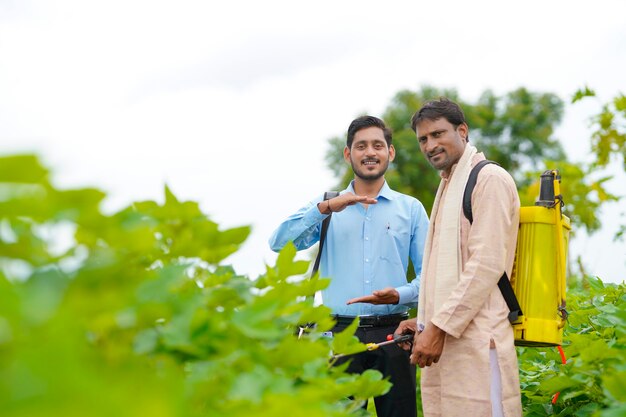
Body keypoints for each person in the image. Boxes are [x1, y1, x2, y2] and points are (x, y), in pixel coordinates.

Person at [269, 115, 429, 417]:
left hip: (394, 336)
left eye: (378, 145)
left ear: (390, 153)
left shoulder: (411, 209)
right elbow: (280, 243)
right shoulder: (327, 206)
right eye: (361, 146)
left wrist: (399, 294)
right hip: (336, 336)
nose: (370, 152)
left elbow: (432, 277)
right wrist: (326, 208)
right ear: (348, 154)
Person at [394, 98, 522, 417]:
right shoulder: (449, 183)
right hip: (449, 339)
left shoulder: (488, 179)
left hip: (480, 339)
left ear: (462, 131)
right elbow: (441, 273)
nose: (430, 145)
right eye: (423, 139)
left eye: (438, 134)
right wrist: (423, 321)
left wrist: (437, 328)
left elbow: (485, 264)